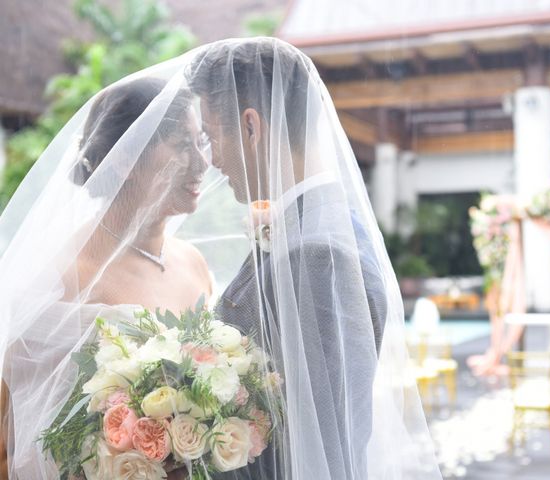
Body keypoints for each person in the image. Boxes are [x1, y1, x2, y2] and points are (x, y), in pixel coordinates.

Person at [185, 38, 440, 479]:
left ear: (251, 126)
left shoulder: (316, 254)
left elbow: (320, 443)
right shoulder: (319, 224)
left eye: (213, 137)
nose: (213, 160)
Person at [0, 76, 213, 479]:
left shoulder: (193, 262)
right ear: (123, 159)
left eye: (200, 142)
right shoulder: (62, 278)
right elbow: (14, 439)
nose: (202, 163)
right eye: (183, 145)